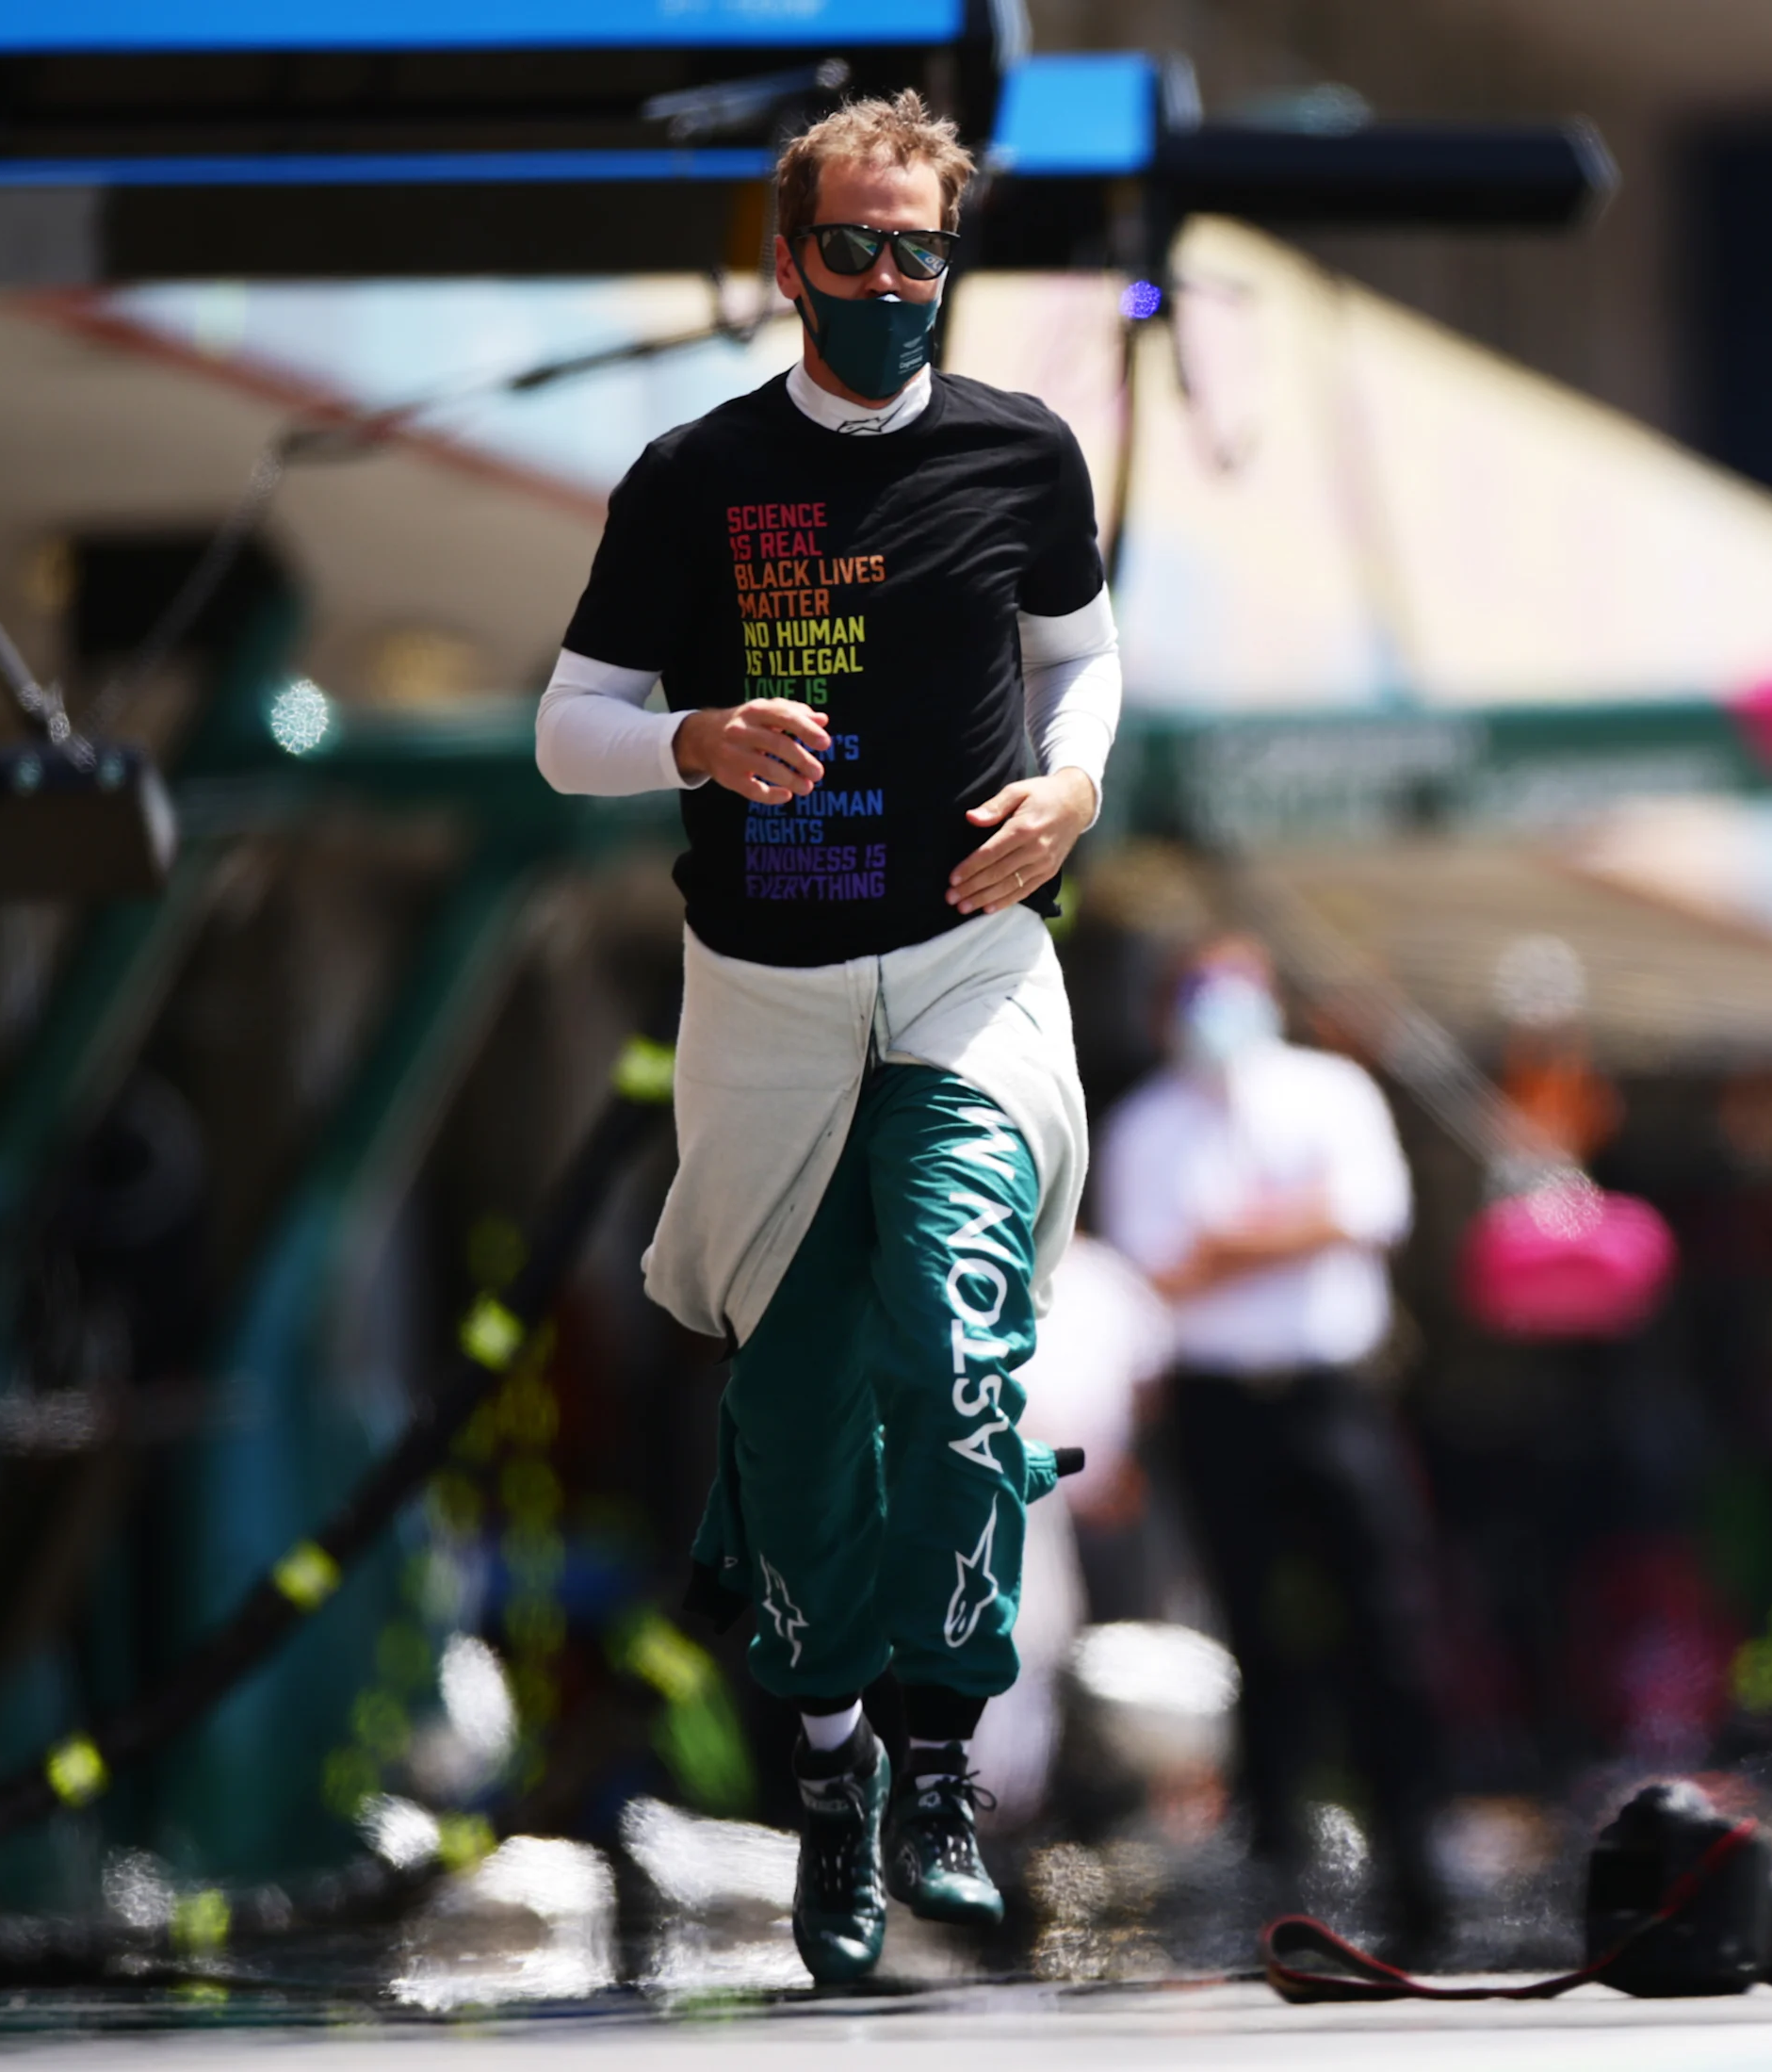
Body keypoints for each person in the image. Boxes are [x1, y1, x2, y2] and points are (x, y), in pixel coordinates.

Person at [533, 90, 1121, 1985]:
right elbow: (564, 726)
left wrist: (1075, 787)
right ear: (787, 260)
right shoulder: (690, 477)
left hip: (968, 970)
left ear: (952, 259)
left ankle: (939, 1751)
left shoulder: (1023, 453)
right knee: (790, 1418)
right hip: (766, 996)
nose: (886, 282)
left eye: (918, 251)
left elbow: (1082, 651)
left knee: (958, 1333)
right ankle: (829, 1766)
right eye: (851, 248)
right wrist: (691, 740)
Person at [1094, 935, 1449, 1953]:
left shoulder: (1331, 1091)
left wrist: (1226, 1242)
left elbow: (1369, 1212)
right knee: (1254, 1634)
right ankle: (1282, 1874)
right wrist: (1288, 1228)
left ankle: (1413, 1861)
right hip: (1216, 1407)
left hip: (1334, 1396)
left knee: (1387, 1622)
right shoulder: (1144, 1127)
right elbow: (1155, 1271)